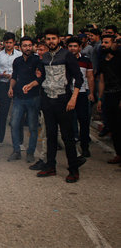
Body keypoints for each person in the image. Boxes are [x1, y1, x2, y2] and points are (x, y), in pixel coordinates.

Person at [36, 28, 85, 183]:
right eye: (48, 39)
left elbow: (79, 78)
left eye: (53, 38)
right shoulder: (44, 57)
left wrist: (73, 98)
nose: (51, 41)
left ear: (59, 40)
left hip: (63, 100)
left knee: (67, 136)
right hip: (48, 100)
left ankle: (73, 170)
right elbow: (43, 78)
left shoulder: (67, 55)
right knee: (50, 135)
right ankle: (50, 166)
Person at [7, 36, 44, 163]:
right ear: (20, 47)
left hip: (33, 97)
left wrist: (30, 85)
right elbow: (14, 76)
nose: (27, 48)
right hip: (18, 98)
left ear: (33, 46)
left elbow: (40, 78)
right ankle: (16, 150)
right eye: (25, 46)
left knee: (33, 127)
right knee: (14, 124)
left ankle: (30, 152)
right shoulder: (17, 61)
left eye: (29, 45)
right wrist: (11, 88)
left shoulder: (38, 61)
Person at [66, 37, 95, 157]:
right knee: (69, 123)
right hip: (68, 94)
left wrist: (91, 93)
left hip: (82, 94)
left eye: (75, 46)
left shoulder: (86, 61)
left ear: (79, 47)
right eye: (70, 46)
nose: (72, 48)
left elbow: (90, 77)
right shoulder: (63, 60)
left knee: (84, 122)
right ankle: (72, 147)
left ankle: (85, 147)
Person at [97, 34, 121, 165]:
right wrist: (100, 99)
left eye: (107, 42)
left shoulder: (119, 59)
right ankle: (118, 153)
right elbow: (101, 81)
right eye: (103, 42)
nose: (103, 45)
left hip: (119, 95)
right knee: (114, 127)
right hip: (108, 96)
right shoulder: (102, 60)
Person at [0, 32, 22, 144]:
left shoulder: (19, 55)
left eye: (10, 42)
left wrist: (16, 76)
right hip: (3, 84)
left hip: (17, 85)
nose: (8, 45)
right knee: (3, 113)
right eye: (6, 43)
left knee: (18, 113)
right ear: (3, 43)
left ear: (14, 43)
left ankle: (20, 141)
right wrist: (1, 75)